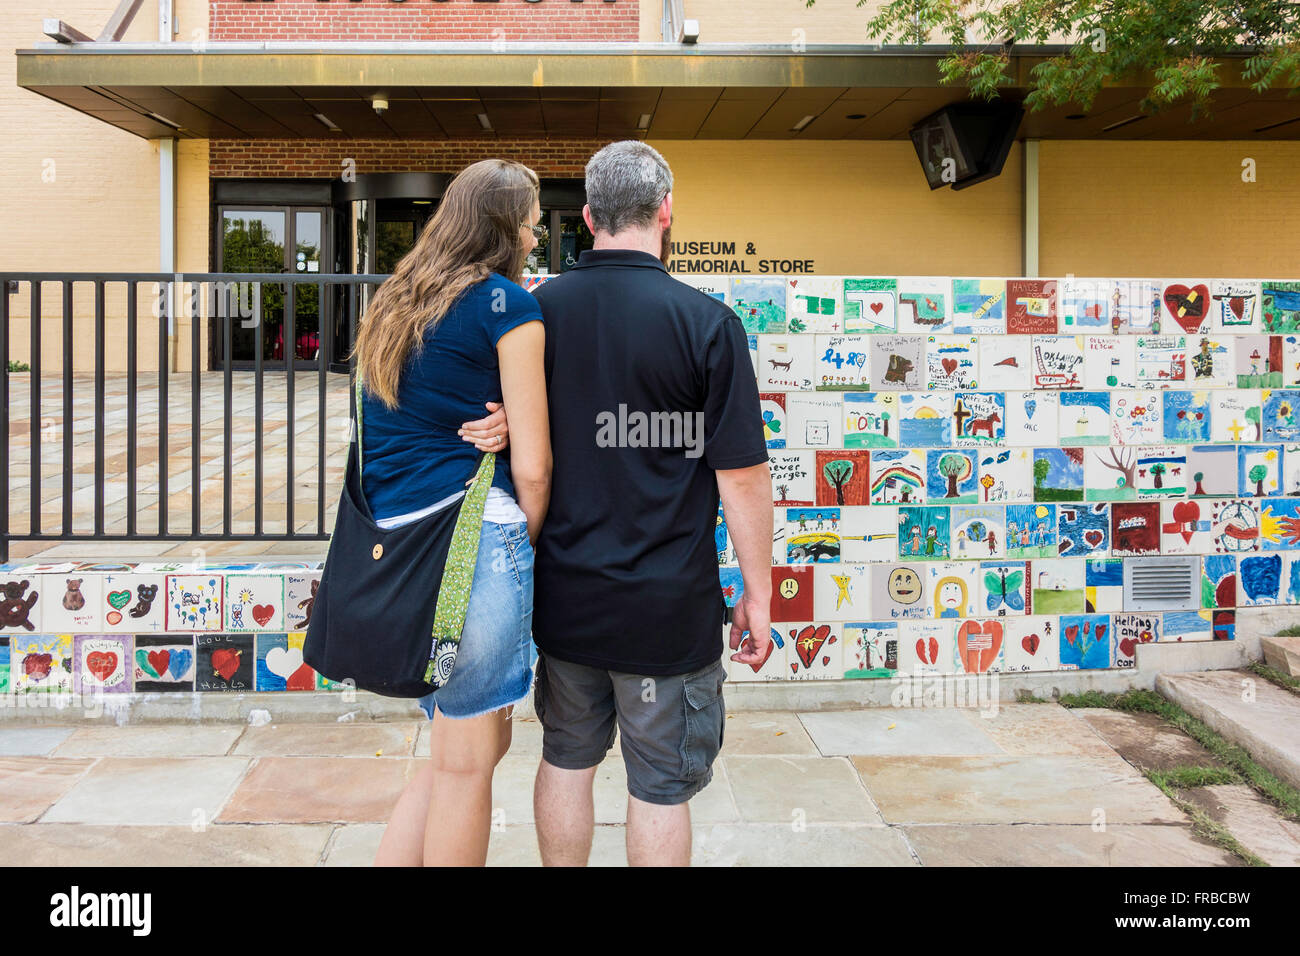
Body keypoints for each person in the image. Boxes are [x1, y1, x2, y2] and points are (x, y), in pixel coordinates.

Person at [527, 141, 773, 867]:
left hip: (565, 599)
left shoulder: (537, 317)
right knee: (660, 787)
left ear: (588, 215)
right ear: (666, 210)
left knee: (566, 758)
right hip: (666, 612)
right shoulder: (706, 324)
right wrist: (759, 594)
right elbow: (742, 479)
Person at [359, 158, 553, 867]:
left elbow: (414, 417)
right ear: (506, 226)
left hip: (404, 550)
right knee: (471, 759)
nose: (537, 233)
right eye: (532, 219)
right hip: (474, 545)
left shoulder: (396, 299)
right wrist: (526, 540)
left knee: (465, 744)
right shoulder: (509, 305)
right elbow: (535, 462)